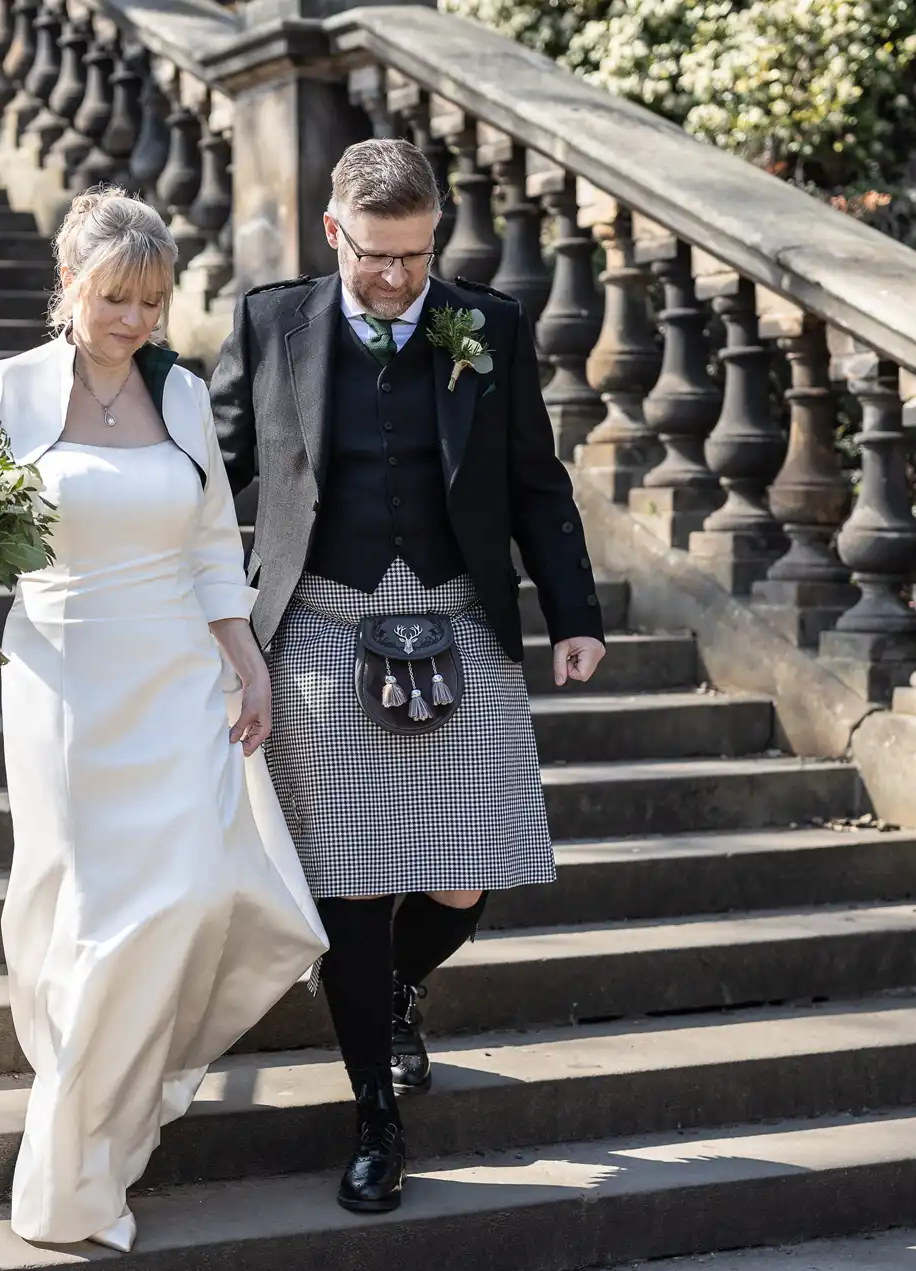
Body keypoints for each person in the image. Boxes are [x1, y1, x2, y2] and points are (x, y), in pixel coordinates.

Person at [209, 138, 607, 1213]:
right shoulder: (270, 322)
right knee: (348, 886)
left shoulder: (488, 323)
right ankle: (374, 1117)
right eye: (376, 255)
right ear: (332, 232)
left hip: (451, 608)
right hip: (320, 622)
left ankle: (391, 989)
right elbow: (209, 470)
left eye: (416, 256)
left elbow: (534, 481)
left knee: (463, 876)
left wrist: (574, 612)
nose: (397, 278)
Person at [0, 187, 327, 1253]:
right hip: (64, 671)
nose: (133, 321)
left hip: (176, 669)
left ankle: (109, 1105)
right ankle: (75, 1153)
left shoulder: (179, 390)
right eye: (114, 297)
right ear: (66, 286)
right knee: (86, 909)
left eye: (151, 303)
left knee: (199, 891)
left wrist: (244, 660)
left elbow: (212, 537)